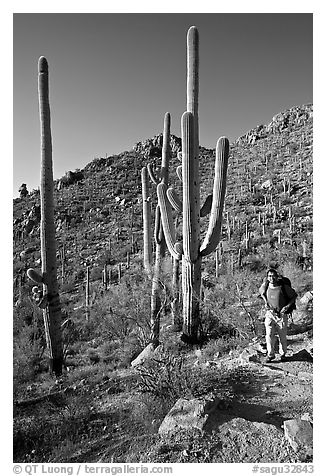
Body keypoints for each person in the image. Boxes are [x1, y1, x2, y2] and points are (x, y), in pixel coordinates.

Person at [259, 268, 297, 363]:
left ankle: (283, 354)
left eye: (273, 276)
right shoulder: (266, 285)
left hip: (281, 315)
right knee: (269, 335)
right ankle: (270, 355)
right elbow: (261, 292)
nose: (271, 278)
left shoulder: (283, 287)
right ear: (267, 277)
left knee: (282, 336)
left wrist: (287, 307)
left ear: (277, 276)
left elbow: (294, 296)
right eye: (269, 276)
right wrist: (265, 302)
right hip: (270, 314)